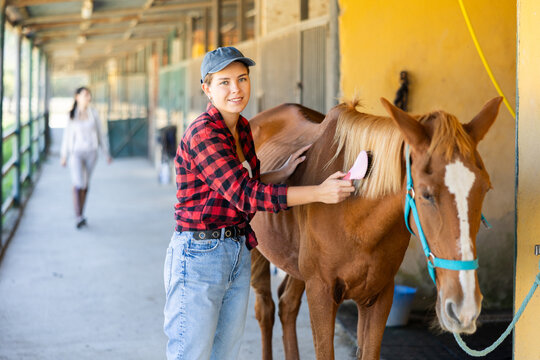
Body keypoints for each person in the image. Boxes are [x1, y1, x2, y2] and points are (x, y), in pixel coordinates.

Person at [163, 47, 355, 360]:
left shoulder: (241, 128)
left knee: (224, 353)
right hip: (199, 256)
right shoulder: (203, 134)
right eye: (224, 82)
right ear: (206, 89)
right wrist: (319, 192)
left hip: (236, 248)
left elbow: (245, 179)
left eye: (242, 79)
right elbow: (244, 194)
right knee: (191, 354)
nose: (236, 89)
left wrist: (282, 172)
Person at [60, 87, 112, 229]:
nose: (88, 97)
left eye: (89, 95)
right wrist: (64, 155)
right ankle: (78, 216)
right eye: (85, 95)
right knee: (78, 181)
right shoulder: (72, 115)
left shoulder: (93, 114)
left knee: (85, 183)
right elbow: (67, 136)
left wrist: (106, 153)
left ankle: (81, 212)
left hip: (91, 153)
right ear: (77, 97)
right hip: (76, 153)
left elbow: (101, 134)